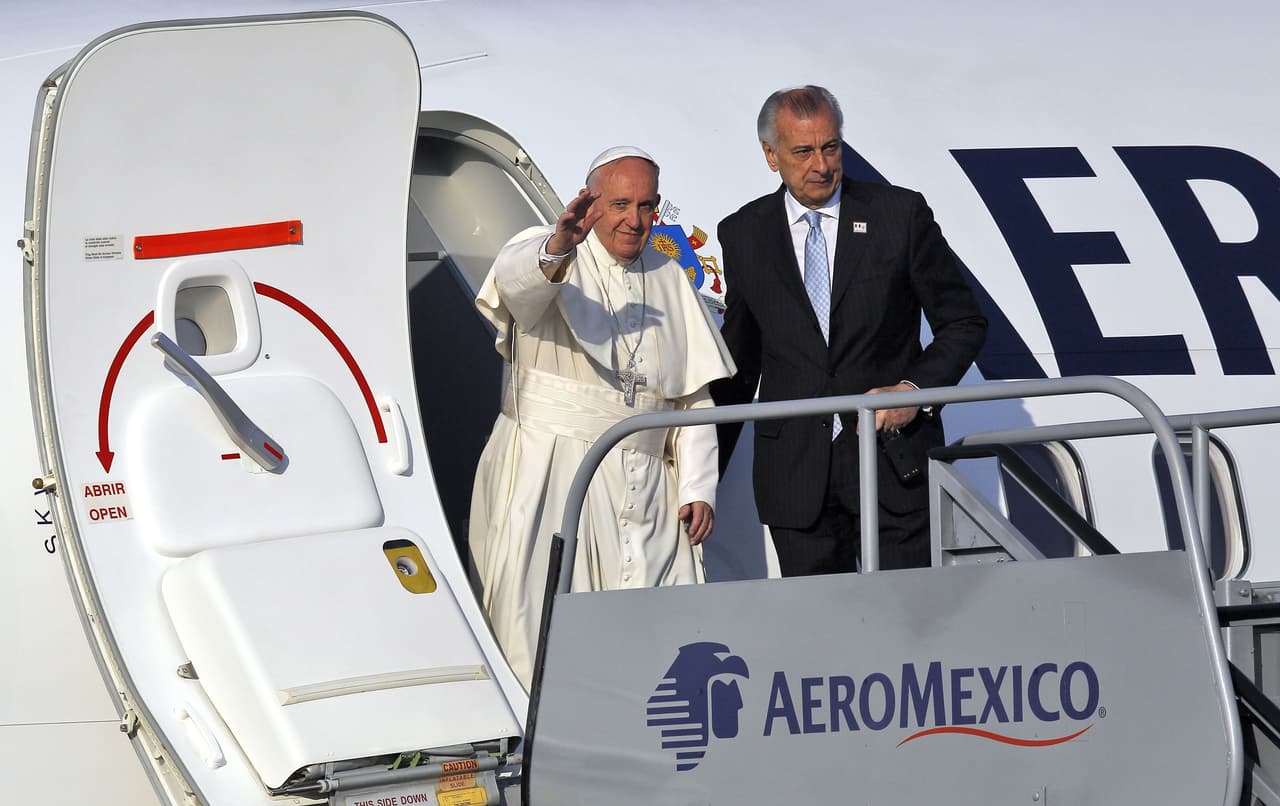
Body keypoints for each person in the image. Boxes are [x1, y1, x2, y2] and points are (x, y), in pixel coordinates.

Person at [469, 146, 736, 688]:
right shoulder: (547, 247)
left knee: (653, 628)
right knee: (539, 619)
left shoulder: (668, 274)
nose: (635, 221)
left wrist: (698, 486)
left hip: (646, 482)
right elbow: (519, 288)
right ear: (591, 202)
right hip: (552, 463)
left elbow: (692, 401)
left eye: (646, 206)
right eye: (620, 204)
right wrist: (558, 245)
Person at [713, 86, 987, 576]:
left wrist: (914, 391)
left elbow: (964, 323)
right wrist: (699, 477)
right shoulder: (744, 232)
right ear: (770, 156)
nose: (821, 164)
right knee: (822, 637)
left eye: (831, 147)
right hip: (796, 478)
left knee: (911, 626)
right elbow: (740, 364)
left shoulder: (899, 216)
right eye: (803, 151)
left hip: (891, 465)